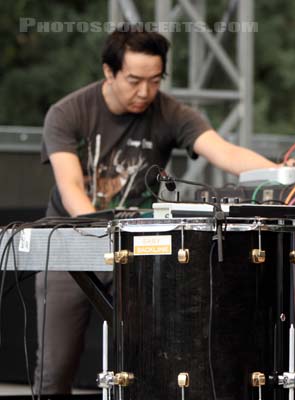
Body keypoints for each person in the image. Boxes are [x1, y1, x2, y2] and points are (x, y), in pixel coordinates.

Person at [36, 25, 277, 394]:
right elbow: (71, 189)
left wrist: (282, 173)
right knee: (54, 372)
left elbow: (225, 152)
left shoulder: (171, 112)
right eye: (134, 80)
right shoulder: (67, 113)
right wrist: (99, 237)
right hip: (72, 243)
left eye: (155, 80)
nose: (145, 92)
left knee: (149, 363)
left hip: (139, 250)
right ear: (109, 72)